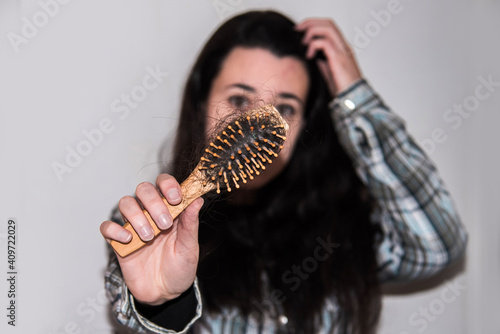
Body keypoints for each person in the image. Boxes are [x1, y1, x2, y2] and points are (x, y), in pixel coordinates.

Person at [100, 10, 467, 334]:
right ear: (200, 102)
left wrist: (356, 97)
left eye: (286, 108)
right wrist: (162, 301)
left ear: (307, 123)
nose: (259, 123)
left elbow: (437, 246)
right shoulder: (150, 226)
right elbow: (134, 312)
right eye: (239, 100)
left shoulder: (345, 226)